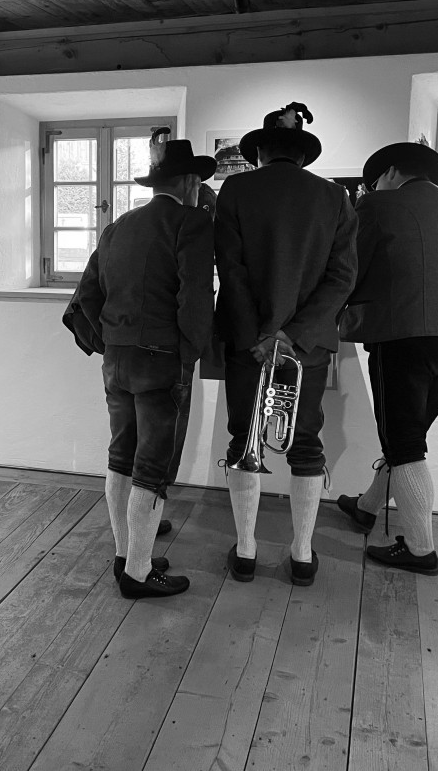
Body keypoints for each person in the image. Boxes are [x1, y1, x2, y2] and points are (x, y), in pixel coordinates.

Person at [215, 103, 357, 587]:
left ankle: (248, 550)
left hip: (246, 342)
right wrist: (292, 335)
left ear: (259, 151)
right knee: (306, 443)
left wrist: (261, 336)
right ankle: (300, 555)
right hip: (307, 346)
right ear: (303, 156)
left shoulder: (235, 189)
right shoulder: (335, 197)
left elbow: (229, 271)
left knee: (244, 440)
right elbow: (342, 278)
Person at [69, 138, 215, 599]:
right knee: (152, 466)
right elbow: (195, 298)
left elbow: (85, 297)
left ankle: (126, 552)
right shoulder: (191, 223)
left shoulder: (117, 227)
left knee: (121, 455)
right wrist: (189, 353)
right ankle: (137, 572)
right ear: (191, 182)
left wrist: (110, 341)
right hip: (162, 359)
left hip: (118, 360)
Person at [336, 142, 438, 576]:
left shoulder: (378, 205)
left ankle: (420, 550)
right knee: (408, 436)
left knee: (405, 446)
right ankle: (365, 508)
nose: (373, 187)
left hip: (402, 336)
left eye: (375, 180)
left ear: (393, 173)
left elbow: (351, 268)